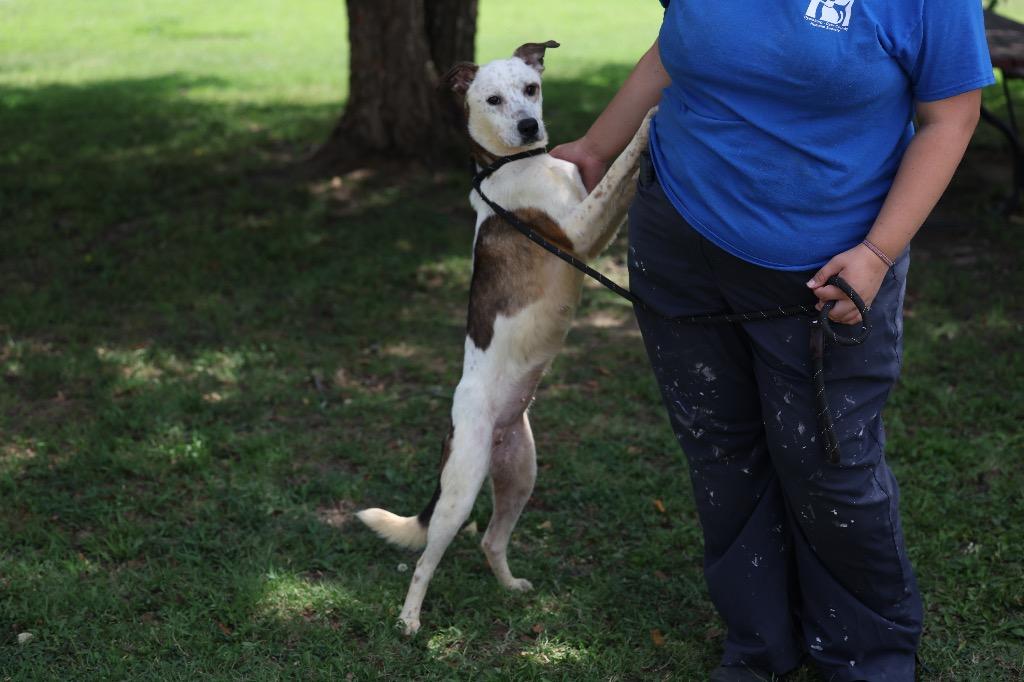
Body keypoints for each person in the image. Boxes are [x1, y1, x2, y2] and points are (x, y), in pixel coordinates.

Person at [551, 1, 994, 680]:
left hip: (827, 270)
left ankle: (867, 655)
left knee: (828, 466)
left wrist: (878, 253)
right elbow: (679, 46)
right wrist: (594, 147)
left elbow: (951, 117)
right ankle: (760, 643)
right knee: (720, 447)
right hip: (678, 238)